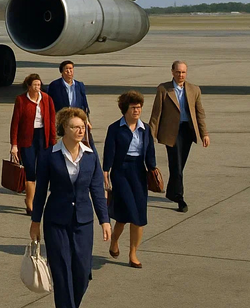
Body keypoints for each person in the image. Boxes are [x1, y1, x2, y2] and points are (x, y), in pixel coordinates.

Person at [29, 107, 111, 308]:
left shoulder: (91, 156)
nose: (80, 131)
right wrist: (35, 222)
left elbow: (97, 191)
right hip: (56, 221)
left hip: (83, 221)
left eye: (82, 127)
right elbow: (40, 192)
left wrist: (105, 220)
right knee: (61, 270)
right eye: (75, 127)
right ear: (64, 128)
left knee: (82, 271)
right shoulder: (49, 156)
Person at [103, 90, 157, 268]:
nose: (137, 111)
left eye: (139, 108)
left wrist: (153, 170)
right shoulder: (115, 128)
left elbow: (149, 152)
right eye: (133, 108)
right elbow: (109, 151)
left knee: (138, 215)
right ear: (125, 109)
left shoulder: (145, 129)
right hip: (120, 172)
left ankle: (133, 253)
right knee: (126, 214)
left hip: (138, 172)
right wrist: (105, 172)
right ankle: (114, 241)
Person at [148, 60, 209, 213]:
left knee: (180, 165)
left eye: (183, 72)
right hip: (171, 133)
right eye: (178, 72)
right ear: (172, 72)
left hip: (187, 131)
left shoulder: (194, 90)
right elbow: (156, 113)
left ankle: (171, 191)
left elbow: (199, 114)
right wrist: (150, 135)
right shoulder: (164, 89)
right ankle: (179, 198)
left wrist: (204, 134)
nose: (180, 75)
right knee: (176, 164)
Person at [10, 73, 57, 215]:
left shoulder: (47, 99)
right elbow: (15, 123)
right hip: (27, 139)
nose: (37, 87)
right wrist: (14, 145)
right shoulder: (21, 100)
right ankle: (29, 203)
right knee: (30, 171)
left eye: (39, 84)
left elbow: (52, 121)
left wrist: (53, 142)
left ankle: (38, 201)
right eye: (35, 85)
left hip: (43, 137)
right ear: (29, 86)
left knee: (42, 171)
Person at [48, 60, 93, 146]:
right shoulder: (55, 85)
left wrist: (87, 120)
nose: (69, 71)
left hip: (77, 117)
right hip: (62, 118)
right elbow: (50, 103)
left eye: (71, 68)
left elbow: (84, 104)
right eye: (66, 69)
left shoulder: (79, 85)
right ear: (61, 72)